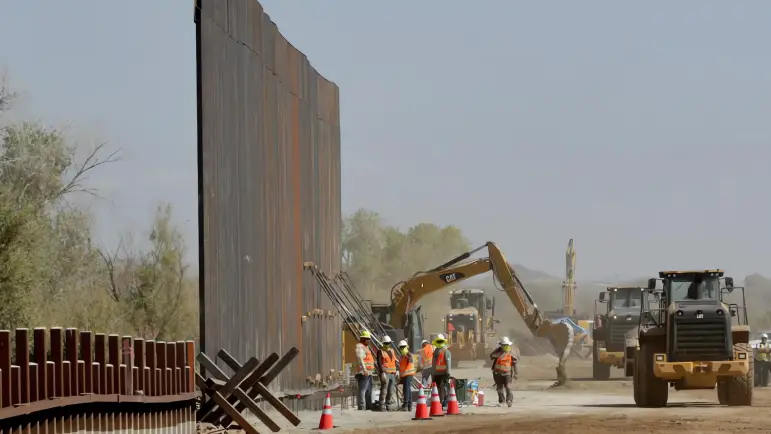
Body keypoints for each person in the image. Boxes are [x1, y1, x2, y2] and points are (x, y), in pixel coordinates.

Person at [489, 336, 518, 407]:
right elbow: (491, 356)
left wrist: (516, 373)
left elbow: (515, 363)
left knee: (508, 387)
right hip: (497, 373)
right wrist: (500, 353)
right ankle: (502, 401)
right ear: (501, 345)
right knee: (499, 388)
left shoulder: (511, 352)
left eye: (506, 345)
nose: (505, 346)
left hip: (507, 373)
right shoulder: (498, 351)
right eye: (503, 345)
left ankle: (509, 400)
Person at [354, 330, 376, 410]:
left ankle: (368, 406)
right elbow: (360, 359)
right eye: (367, 339)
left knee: (368, 390)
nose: (368, 340)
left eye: (369, 339)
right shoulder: (360, 346)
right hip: (363, 372)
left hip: (368, 372)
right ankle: (362, 406)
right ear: (363, 339)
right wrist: (364, 370)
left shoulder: (366, 347)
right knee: (362, 390)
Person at [377, 335, 398, 411]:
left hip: (392, 373)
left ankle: (388, 404)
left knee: (391, 390)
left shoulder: (392, 351)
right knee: (384, 390)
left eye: (388, 343)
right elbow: (379, 363)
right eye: (385, 343)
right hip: (385, 373)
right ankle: (381, 405)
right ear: (383, 343)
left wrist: (397, 371)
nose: (387, 345)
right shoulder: (380, 351)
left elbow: (395, 361)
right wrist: (382, 373)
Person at [431, 333, 452, 410]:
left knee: (438, 389)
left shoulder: (436, 351)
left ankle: (439, 403)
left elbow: (433, 363)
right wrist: (448, 372)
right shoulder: (446, 351)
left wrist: (433, 373)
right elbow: (448, 363)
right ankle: (444, 403)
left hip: (437, 373)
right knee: (446, 388)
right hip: (443, 373)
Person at [397, 340, 416, 411]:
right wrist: (399, 375)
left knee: (406, 389)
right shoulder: (401, 356)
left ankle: (405, 404)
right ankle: (409, 405)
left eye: (403, 347)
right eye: (401, 348)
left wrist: (407, 354)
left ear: (406, 347)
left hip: (408, 374)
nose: (402, 349)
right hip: (404, 375)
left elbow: (410, 361)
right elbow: (401, 367)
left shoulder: (409, 355)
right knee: (408, 389)